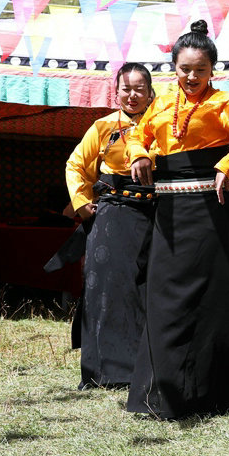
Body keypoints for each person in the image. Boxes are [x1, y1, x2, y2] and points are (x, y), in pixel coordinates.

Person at [125, 20, 229, 419]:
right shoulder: (159, 104)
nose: (192, 77)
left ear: (212, 70)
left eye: (200, 70)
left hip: (210, 214)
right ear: (173, 68)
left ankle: (212, 396)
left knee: (211, 301)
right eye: (184, 69)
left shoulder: (225, 104)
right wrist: (140, 153)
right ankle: (159, 395)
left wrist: (228, 164)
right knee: (164, 299)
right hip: (168, 216)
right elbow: (138, 134)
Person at [64, 63, 155, 389]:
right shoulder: (103, 127)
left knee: (150, 290)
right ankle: (105, 372)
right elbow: (76, 165)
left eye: (139, 88)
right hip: (114, 214)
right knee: (108, 290)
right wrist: (80, 202)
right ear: (116, 92)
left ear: (149, 92)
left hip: (156, 215)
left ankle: (147, 368)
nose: (132, 95)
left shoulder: (161, 125)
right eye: (126, 89)